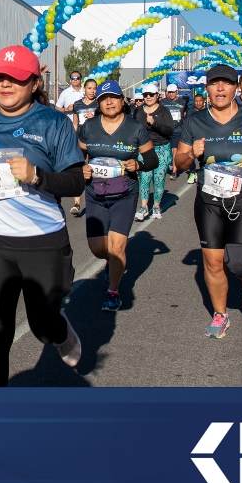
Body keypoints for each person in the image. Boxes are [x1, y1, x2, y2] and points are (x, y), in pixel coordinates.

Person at [0, 45, 85, 385]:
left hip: (43, 241)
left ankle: (60, 331)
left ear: (35, 83)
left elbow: (75, 181)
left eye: (16, 78)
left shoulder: (54, 122)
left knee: (42, 326)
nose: (6, 84)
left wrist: (36, 176)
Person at [173, 64, 242, 339]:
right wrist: (191, 154)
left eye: (227, 83)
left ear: (236, 88)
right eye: (214, 83)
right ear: (206, 88)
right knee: (212, 262)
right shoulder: (195, 121)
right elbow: (179, 163)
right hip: (209, 200)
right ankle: (220, 315)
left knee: (240, 262)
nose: (220, 89)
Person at [76, 80, 156, 310]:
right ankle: (110, 262)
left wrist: (138, 165)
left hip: (124, 193)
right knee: (98, 249)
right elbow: (76, 154)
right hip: (95, 193)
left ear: (122, 100)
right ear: (98, 102)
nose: (109, 102)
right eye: (104, 98)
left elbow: (152, 159)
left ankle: (113, 291)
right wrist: (80, 168)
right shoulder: (89, 127)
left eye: (113, 97)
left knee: (117, 247)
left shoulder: (135, 128)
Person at [133, 84, 173, 219]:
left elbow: (170, 130)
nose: (148, 97)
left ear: (157, 96)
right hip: (145, 149)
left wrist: (154, 123)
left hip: (162, 148)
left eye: (151, 94)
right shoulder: (138, 111)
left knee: (158, 179)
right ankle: (144, 207)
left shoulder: (164, 111)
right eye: (145, 95)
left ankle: (156, 206)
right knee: (144, 178)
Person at [67, 78, 99, 217]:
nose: (92, 91)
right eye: (89, 88)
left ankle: (94, 200)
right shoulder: (78, 104)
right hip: (80, 140)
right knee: (79, 169)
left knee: (93, 170)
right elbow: (75, 124)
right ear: (84, 89)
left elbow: (103, 123)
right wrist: (72, 139)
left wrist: (94, 117)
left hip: (95, 141)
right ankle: (77, 203)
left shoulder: (98, 104)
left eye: (94, 88)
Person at [185, 91, 208, 183]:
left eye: (200, 101)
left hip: (206, 137)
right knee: (191, 155)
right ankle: (192, 172)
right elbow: (187, 125)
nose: (198, 103)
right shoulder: (190, 112)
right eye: (196, 101)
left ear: (204, 101)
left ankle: (206, 172)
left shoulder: (208, 111)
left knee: (205, 157)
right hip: (193, 137)